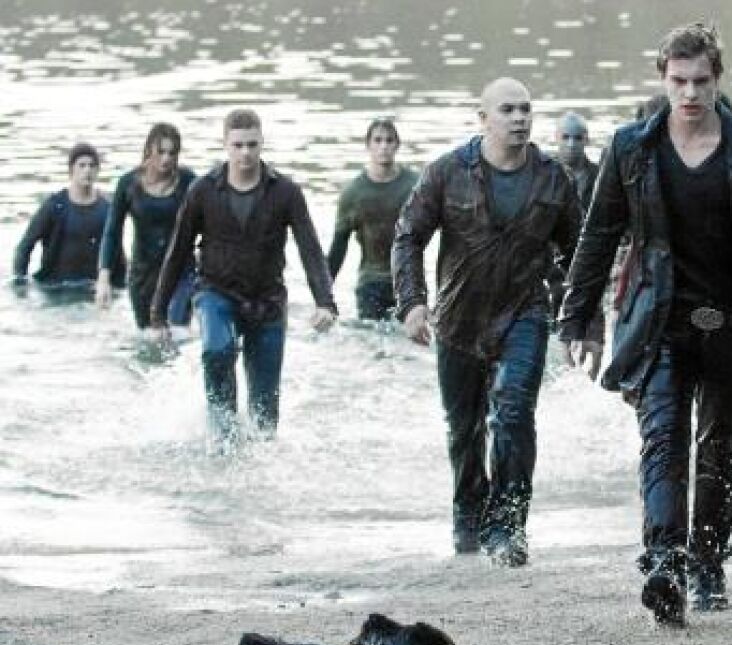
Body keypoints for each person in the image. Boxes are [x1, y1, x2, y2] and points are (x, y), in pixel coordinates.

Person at [559, 23, 732, 626]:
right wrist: (578, 318)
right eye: (679, 81)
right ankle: (665, 564)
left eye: (701, 81)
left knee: (721, 448)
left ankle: (708, 563)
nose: (691, 93)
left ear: (718, 79)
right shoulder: (632, 147)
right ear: (662, 79)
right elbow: (599, 234)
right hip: (661, 318)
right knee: (663, 441)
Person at [392, 77, 595, 567]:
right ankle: (468, 516)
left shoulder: (552, 179)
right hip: (459, 318)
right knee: (464, 429)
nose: (520, 118)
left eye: (525, 109)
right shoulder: (446, 172)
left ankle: (508, 525)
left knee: (514, 413)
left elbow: (579, 254)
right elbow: (408, 237)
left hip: (525, 312)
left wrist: (585, 324)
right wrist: (412, 303)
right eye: (508, 110)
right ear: (483, 119)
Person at [151, 109, 337, 448]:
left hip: (267, 300)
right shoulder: (202, 191)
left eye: (252, 145)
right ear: (225, 145)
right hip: (216, 292)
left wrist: (325, 302)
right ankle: (222, 436)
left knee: (265, 417)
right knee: (217, 349)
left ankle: (257, 464)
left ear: (262, 142)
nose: (245, 153)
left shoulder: (285, 192)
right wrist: (158, 312)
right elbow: (177, 252)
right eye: (238, 146)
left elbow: (310, 248)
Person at [96, 123, 197, 332]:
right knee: (150, 337)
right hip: (143, 274)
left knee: (175, 328)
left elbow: (209, 223)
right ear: (149, 150)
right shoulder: (128, 184)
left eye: (172, 153)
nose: (166, 159)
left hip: (181, 272)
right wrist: (104, 278)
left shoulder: (188, 181)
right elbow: (112, 232)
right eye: (161, 152)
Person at [327, 119, 419, 321]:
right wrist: (324, 298)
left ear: (397, 145)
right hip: (370, 282)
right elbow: (339, 247)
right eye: (377, 140)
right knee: (371, 337)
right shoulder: (353, 193)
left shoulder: (415, 186)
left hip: (409, 282)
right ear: (368, 145)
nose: (383, 146)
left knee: (410, 338)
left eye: (389, 140)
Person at [12, 143, 124, 299]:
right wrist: (20, 286)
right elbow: (25, 246)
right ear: (71, 170)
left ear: (97, 171)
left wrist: (120, 288)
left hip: (91, 289)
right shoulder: (54, 206)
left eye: (92, 166)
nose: (87, 170)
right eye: (82, 165)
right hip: (54, 288)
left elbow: (117, 254)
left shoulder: (106, 210)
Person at [547, 111, 604, 368]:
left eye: (578, 138)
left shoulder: (600, 176)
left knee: (594, 344)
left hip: (590, 259)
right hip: (553, 260)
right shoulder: (544, 174)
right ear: (556, 138)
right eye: (566, 137)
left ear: (587, 140)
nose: (571, 144)